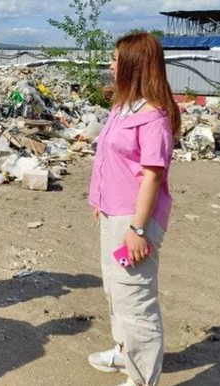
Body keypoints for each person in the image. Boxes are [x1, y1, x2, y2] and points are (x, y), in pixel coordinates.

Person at [86, 32, 181, 386]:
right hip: (113, 213)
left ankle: (141, 379)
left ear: (133, 66)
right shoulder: (123, 107)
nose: (110, 66)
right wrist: (98, 200)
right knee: (115, 288)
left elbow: (153, 177)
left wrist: (138, 229)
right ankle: (124, 351)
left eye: (115, 60)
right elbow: (107, 160)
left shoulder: (154, 117)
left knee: (136, 298)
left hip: (135, 218)